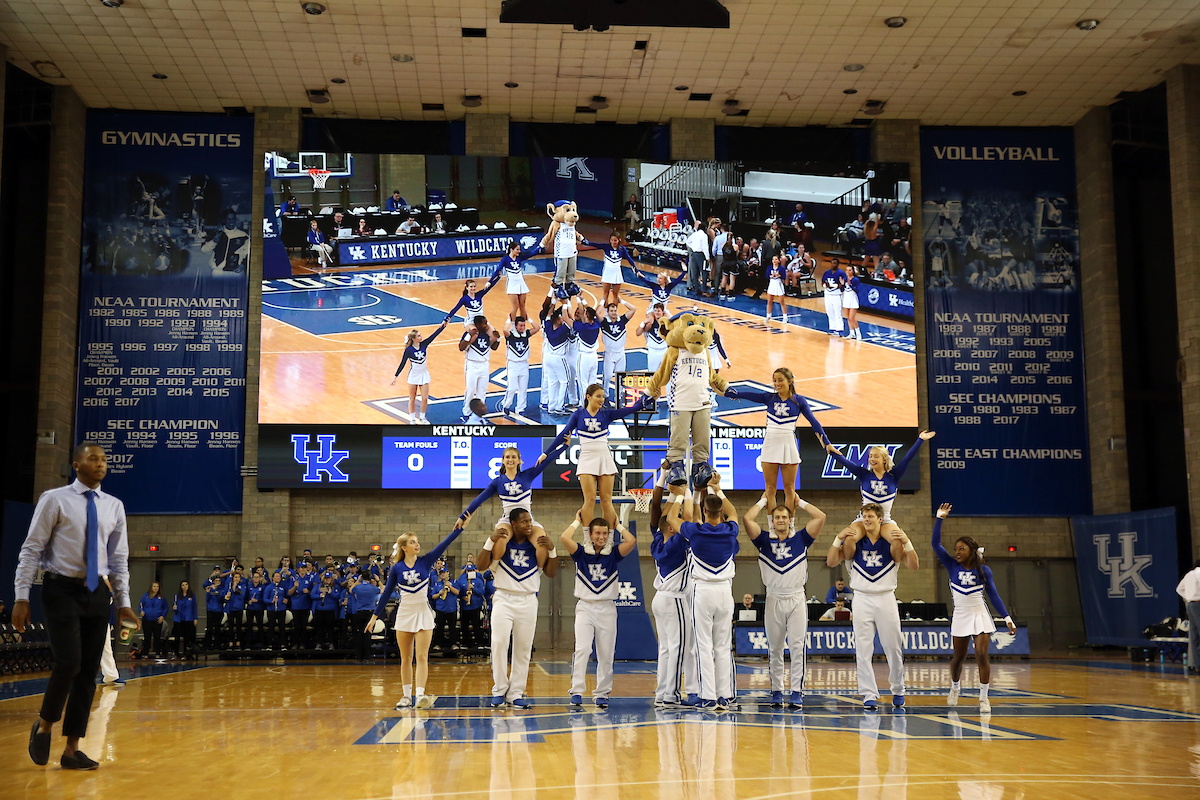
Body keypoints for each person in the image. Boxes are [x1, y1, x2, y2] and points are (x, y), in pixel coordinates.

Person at [14, 442, 138, 770]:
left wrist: (123, 602)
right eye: (93, 458)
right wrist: (21, 596)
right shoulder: (54, 499)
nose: (100, 464)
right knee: (68, 662)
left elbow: (118, 559)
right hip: (61, 590)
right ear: (76, 464)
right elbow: (31, 549)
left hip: (97, 593)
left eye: (103, 460)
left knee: (88, 671)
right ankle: (44, 727)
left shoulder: (114, 506)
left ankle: (72, 749)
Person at [366, 516, 469, 707]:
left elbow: (445, 543)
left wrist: (459, 529)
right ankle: (406, 696)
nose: (417, 544)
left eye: (418, 541)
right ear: (404, 547)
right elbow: (387, 593)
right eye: (413, 542)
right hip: (404, 613)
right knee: (406, 658)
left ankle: (420, 694)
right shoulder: (397, 568)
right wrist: (373, 618)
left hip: (423, 612)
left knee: (422, 656)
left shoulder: (426, 561)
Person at [828, 502, 919, 710]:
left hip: (886, 597)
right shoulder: (853, 543)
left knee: (893, 647)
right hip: (861, 597)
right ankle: (868, 693)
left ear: (880, 519)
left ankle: (898, 689)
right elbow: (831, 561)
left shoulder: (893, 542)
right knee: (863, 648)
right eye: (864, 516)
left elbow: (914, 565)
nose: (866, 519)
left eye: (870, 516)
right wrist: (838, 538)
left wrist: (908, 542)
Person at [744, 495, 827, 708]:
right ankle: (776, 691)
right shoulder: (763, 539)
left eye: (784, 517)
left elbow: (821, 517)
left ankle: (797, 692)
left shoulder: (801, 538)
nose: (780, 520)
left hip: (797, 597)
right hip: (773, 598)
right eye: (777, 517)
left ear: (791, 520)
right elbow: (747, 519)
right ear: (772, 520)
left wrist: (799, 502)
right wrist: (763, 502)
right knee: (775, 648)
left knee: (798, 647)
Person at [932, 503, 1016, 712]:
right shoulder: (952, 566)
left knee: (981, 655)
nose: (957, 552)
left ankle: (984, 698)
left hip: (980, 614)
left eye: (962, 549)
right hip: (961, 615)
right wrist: (939, 519)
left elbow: (994, 596)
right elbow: (935, 544)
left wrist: (1007, 618)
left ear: (971, 551)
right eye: (956, 549)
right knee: (958, 658)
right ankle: (954, 688)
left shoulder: (984, 570)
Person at [665, 474, 739, 711]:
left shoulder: (695, 531)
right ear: (720, 513)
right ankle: (725, 695)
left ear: (705, 512)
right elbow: (734, 513)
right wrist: (717, 489)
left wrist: (680, 494)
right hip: (725, 592)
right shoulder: (730, 531)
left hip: (703, 591)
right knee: (723, 645)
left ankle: (708, 696)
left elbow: (670, 518)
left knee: (703, 645)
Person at [476, 508, 558, 707]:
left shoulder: (537, 546)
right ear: (513, 524)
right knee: (499, 643)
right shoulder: (502, 545)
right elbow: (480, 565)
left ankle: (516, 693)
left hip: (528, 600)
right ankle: (499, 689)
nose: (529, 525)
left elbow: (551, 573)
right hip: (503, 597)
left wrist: (553, 550)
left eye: (530, 521)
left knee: (523, 649)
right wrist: (490, 540)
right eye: (524, 522)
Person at [561, 513, 637, 708]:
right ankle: (577, 691)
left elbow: (632, 541)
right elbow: (564, 538)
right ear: (591, 534)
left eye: (605, 533)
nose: (601, 537)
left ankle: (602, 693)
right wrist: (577, 521)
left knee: (606, 653)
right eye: (598, 533)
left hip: (607, 608)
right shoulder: (581, 553)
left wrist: (618, 526)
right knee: (583, 649)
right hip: (585, 607)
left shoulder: (613, 553)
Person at [547, 384, 645, 527]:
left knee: (606, 500)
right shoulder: (578, 414)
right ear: (588, 397)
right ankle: (587, 539)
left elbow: (633, 408)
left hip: (604, 456)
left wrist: (647, 397)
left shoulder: (607, 414)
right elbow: (563, 434)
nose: (602, 399)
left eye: (603, 397)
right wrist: (546, 453)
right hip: (586, 457)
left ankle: (610, 539)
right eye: (598, 396)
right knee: (590, 499)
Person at [734, 367, 830, 514]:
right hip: (770, 442)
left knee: (789, 489)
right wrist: (729, 392)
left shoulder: (799, 401)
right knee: (770, 489)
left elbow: (814, 422)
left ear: (790, 381)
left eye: (780, 380)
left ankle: (789, 526)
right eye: (774, 380)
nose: (777, 383)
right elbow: (747, 395)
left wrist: (827, 444)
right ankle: (772, 526)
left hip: (788, 443)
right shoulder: (769, 398)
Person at [824, 431, 936, 545]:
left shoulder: (894, 476)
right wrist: (827, 444)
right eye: (870, 456)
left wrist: (920, 439)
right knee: (849, 540)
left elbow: (907, 459)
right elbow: (843, 461)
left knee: (897, 541)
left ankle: (896, 564)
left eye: (876, 456)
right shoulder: (864, 474)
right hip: (864, 519)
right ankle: (848, 563)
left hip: (885, 520)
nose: (872, 459)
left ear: (884, 460)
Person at [648, 473, 698, 707]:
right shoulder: (678, 541)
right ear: (672, 527)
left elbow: (665, 518)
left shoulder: (658, 540)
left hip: (659, 599)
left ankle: (661, 693)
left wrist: (672, 495)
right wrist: (685, 493)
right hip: (676, 599)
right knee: (679, 648)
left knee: (666, 649)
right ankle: (672, 695)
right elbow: (685, 518)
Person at [392, 320, 449, 424]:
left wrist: (443, 326)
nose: (420, 337)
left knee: (425, 398)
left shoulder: (424, 344)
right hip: (414, 375)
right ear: (413, 339)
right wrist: (396, 376)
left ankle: (422, 417)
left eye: (420, 335)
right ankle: (412, 419)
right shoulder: (408, 350)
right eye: (418, 336)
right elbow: (403, 363)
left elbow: (434, 335)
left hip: (424, 374)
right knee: (412, 398)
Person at [489, 240, 542, 320]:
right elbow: (498, 270)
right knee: (515, 307)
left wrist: (540, 247)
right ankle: (512, 325)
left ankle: (523, 326)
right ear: (511, 249)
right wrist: (490, 281)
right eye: (517, 249)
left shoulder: (519, 257)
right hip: (512, 285)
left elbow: (531, 254)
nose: (519, 251)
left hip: (521, 283)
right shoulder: (505, 259)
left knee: (522, 306)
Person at [459, 314, 501, 417]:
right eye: (484, 323)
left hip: (484, 365)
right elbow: (461, 347)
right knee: (471, 390)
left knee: (482, 391)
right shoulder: (470, 334)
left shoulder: (487, 334)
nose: (486, 325)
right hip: (472, 364)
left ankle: (479, 414)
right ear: (477, 324)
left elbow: (494, 347)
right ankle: (467, 412)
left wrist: (498, 339)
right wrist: (469, 335)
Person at [500, 314, 540, 416]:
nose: (522, 327)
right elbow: (505, 330)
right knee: (512, 388)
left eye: (524, 325)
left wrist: (529, 318)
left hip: (524, 364)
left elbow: (537, 328)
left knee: (523, 388)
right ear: (516, 326)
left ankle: (520, 408)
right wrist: (509, 320)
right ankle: (506, 405)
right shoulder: (510, 335)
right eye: (520, 325)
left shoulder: (526, 334)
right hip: (513, 365)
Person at [538, 296, 572, 416]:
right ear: (557, 319)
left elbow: (549, 314)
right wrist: (565, 303)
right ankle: (559, 407)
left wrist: (554, 301)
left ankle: (551, 407)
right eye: (561, 317)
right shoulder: (563, 329)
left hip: (549, 358)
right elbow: (569, 319)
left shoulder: (547, 326)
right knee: (564, 382)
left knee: (552, 382)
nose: (563, 318)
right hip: (559, 358)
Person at [599, 299, 635, 404]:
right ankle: (605, 397)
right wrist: (602, 300)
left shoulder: (622, 320)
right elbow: (597, 313)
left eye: (615, 310)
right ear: (608, 312)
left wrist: (621, 301)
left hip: (620, 353)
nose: (614, 312)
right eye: (611, 311)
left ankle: (618, 398)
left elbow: (633, 309)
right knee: (608, 376)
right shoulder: (604, 322)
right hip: (609, 353)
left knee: (620, 376)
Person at [572, 303, 602, 404]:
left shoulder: (582, 327)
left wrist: (567, 303)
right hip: (594, 356)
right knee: (592, 381)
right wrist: (582, 299)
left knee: (582, 382)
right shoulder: (597, 324)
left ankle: (584, 405)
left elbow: (567, 319)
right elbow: (593, 312)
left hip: (584, 357)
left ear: (586, 316)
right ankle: (593, 404)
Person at [599, 232, 638, 307]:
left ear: (619, 240)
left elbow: (630, 259)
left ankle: (614, 313)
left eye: (615, 240)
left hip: (617, 273)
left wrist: (637, 270)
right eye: (612, 240)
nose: (613, 242)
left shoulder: (622, 249)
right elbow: (594, 244)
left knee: (615, 294)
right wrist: (583, 240)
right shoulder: (606, 246)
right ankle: (606, 313)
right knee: (605, 294)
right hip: (607, 272)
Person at [349, 574, 382, 662]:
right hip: (370, 613)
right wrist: (378, 580)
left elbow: (350, 590)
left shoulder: (358, 587)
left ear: (362, 578)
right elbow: (383, 590)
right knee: (368, 635)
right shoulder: (373, 588)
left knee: (360, 634)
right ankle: (367, 657)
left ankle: (359, 657)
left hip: (359, 612)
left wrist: (356, 581)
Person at [429, 565, 460, 655]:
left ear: (448, 574)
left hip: (451, 609)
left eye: (444, 573)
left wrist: (450, 587)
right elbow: (433, 596)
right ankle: (438, 644)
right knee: (439, 628)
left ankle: (453, 644)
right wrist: (439, 593)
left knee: (452, 628)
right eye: (441, 573)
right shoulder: (437, 584)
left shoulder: (454, 582)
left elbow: (457, 592)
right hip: (440, 609)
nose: (442, 575)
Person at [455, 563, 486, 651]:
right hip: (464, 607)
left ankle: (479, 643)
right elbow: (458, 592)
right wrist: (462, 597)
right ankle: (465, 643)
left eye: (471, 570)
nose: (469, 572)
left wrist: (473, 588)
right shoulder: (462, 580)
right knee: (464, 625)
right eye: (468, 571)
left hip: (475, 606)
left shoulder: (478, 580)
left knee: (476, 625)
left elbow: (482, 592)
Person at [1177, 559, 1200, 674]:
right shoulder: (1199, 573)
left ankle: (1197, 665)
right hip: (1198, 604)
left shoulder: (1188, 575)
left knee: (1194, 636)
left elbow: (1179, 589)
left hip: (1190, 605)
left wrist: (1189, 596)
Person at [310, 571, 341, 650]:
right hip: (320, 609)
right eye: (326, 578)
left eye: (329, 578)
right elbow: (312, 595)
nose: (327, 580)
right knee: (319, 628)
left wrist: (331, 593)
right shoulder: (318, 586)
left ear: (331, 579)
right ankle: (319, 643)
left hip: (330, 610)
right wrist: (319, 595)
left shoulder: (335, 587)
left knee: (330, 628)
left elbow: (338, 596)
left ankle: (331, 643)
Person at [288, 561, 315, 649]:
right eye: (301, 568)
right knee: (296, 626)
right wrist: (294, 587)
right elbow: (289, 593)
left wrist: (308, 592)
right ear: (298, 569)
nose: (303, 569)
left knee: (303, 626)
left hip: (306, 606)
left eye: (304, 568)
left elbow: (314, 593)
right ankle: (295, 643)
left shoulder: (310, 578)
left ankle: (303, 644)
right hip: (296, 606)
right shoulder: (293, 579)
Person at [637, 303, 669, 376]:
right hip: (653, 351)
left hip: (664, 350)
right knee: (653, 375)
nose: (657, 313)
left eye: (658, 311)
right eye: (655, 311)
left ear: (662, 312)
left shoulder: (666, 323)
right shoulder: (649, 324)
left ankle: (669, 388)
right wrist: (643, 323)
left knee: (668, 375)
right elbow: (638, 333)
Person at [139, 581, 168, 658]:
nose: (156, 588)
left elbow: (165, 607)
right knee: (147, 637)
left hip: (157, 620)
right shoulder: (145, 596)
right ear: (151, 587)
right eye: (154, 586)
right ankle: (145, 653)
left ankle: (157, 653)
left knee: (157, 637)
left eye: (157, 587)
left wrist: (162, 616)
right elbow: (141, 605)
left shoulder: (161, 597)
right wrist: (141, 611)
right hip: (147, 619)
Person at [263, 571, 289, 650]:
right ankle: (269, 645)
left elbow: (286, 596)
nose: (278, 578)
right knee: (271, 627)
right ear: (273, 578)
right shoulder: (269, 587)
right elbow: (265, 599)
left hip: (281, 609)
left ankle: (283, 645)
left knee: (282, 627)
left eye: (279, 577)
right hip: (271, 609)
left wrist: (286, 600)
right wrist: (271, 601)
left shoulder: (282, 587)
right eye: (276, 576)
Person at [171, 581, 197, 659]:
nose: (185, 586)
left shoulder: (192, 596)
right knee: (177, 637)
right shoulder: (177, 596)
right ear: (181, 587)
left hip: (188, 618)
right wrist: (174, 608)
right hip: (178, 618)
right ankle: (176, 653)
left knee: (187, 637)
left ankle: (186, 654)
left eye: (186, 585)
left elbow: (194, 607)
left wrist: (195, 618)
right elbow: (174, 606)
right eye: (183, 585)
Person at [821, 259, 846, 336]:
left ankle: (839, 330)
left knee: (837, 312)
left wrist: (832, 285)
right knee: (829, 312)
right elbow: (822, 282)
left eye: (835, 263)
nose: (833, 265)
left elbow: (843, 284)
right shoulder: (827, 272)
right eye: (832, 263)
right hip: (828, 294)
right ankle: (832, 328)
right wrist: (826, 285)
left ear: (838, 264)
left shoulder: (841, 273)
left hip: (837, 295)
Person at [686, 219, 710, 295]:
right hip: (701, 255)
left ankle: (697, 289)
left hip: (694, 254)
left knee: (695, 272)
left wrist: (693, 247)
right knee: (704, 272)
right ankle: (704, 290)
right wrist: (707, 257)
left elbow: (687, 242)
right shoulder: (704, 235)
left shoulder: (694, 234)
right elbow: (705, 247)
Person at [764, 255, 788, 325]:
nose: (774, 261)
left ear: (778, 261)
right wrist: (771, 276)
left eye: (776, 259)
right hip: (772, 284)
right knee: (769, 301)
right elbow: (766, 276)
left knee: (781, 301)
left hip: (778, 284)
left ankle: (785, 317)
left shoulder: (782, 268)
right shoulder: (769, 267)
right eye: (773, 259)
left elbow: (784, 277)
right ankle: (768, 315)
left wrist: (778, 275)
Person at [842, 262, 863, 340]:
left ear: (853, 271)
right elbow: (842, 289)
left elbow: (857, 290)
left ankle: (858, 333)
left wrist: (850, 284)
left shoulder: (856, 280)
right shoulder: (844, 279)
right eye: (847, 270)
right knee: (848, 317)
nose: (848, 272)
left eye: (850, 270)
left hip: (853, 299)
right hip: (846, 298)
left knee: (852, 317)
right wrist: (842, 284)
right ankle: (852, 333)